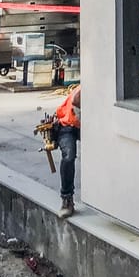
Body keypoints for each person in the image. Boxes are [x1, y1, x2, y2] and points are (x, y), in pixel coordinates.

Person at [53, 85, 81, 219]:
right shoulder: (79, 95)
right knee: (69, 157)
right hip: (67, 125)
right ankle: (66, 198)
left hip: (82, 123)